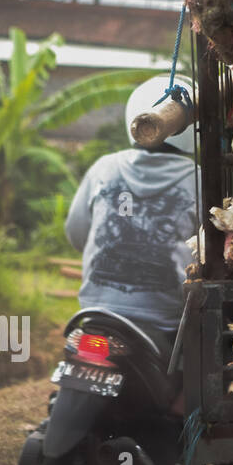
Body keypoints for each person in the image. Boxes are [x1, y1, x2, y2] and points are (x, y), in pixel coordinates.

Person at [65, 74, 200, 356]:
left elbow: (77, 234)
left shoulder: (104, 168)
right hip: (166, 321)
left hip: (96, 314)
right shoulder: (197, 180)